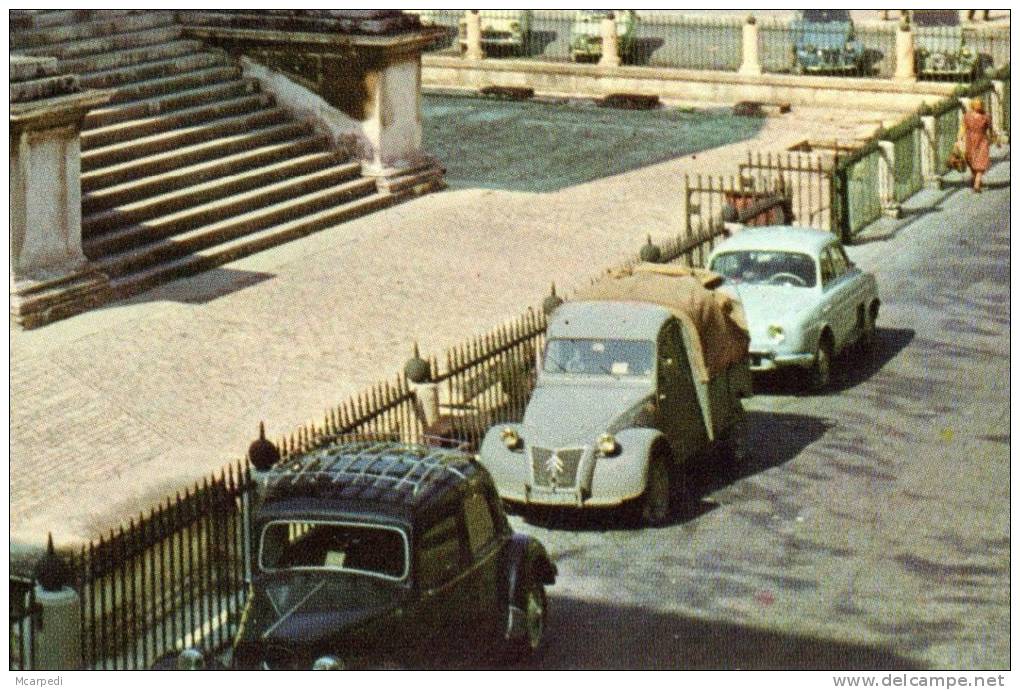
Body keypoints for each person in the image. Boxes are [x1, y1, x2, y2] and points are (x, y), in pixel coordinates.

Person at [960, 98, 992, 193]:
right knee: (981, 161)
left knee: (972, 160)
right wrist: (995, 139)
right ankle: (976, 181)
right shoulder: (986, 117)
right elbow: (990, 129)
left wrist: (960, 139)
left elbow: (963, 128)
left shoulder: (967, 116)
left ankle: (976, 182)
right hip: (982, 140)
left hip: (970, 140)